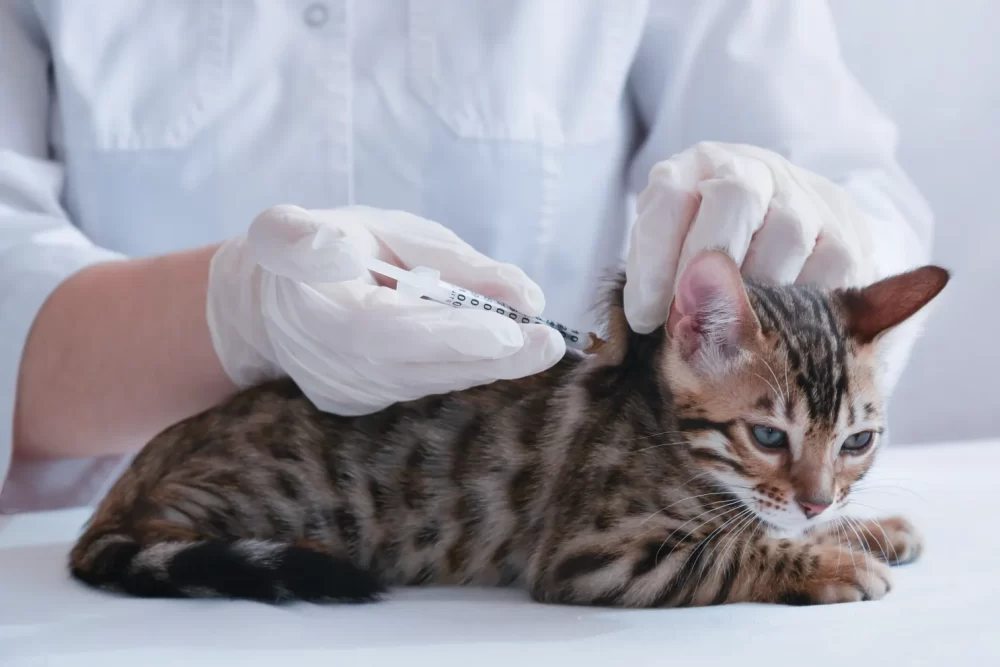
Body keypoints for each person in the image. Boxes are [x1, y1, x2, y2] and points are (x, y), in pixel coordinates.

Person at [0, 1, 932, 512]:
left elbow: (857, 190)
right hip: (109, 564)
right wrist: (238, 316)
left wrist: (819, 232)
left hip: (527, 567)